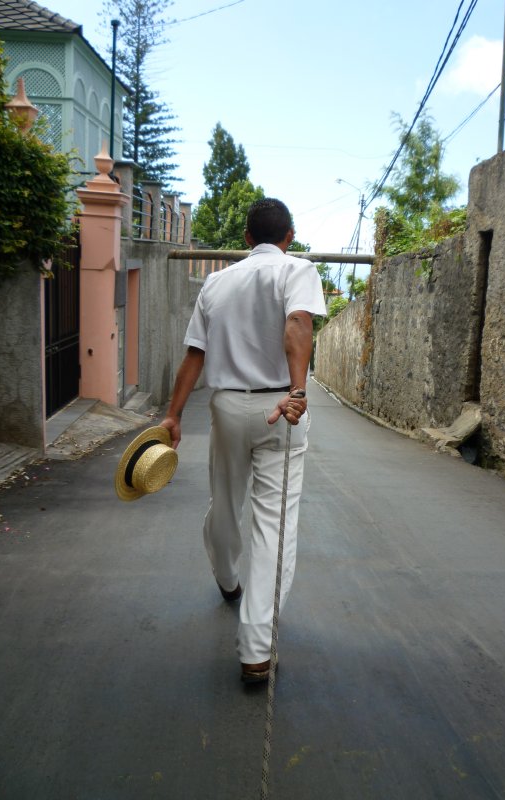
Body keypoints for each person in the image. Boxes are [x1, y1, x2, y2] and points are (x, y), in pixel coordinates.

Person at [160, 198, 327, 683]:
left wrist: (172, 416)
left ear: (248, 239)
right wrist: (297, 392)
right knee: (273, 525)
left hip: (228, 407)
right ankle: (255, 650)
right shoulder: (298, 270)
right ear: (290, 236)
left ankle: (227, 579)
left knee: (227, 502)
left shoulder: (216, 281)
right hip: (281, 410)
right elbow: (298, 324)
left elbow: (195, 353)